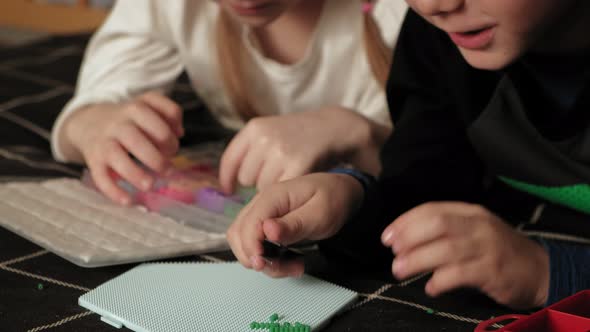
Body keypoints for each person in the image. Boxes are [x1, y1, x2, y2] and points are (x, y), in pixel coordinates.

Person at [227, 0, 590, 309]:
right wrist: (351, 200)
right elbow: (423, 195)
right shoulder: (437, 40)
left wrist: (547, 272)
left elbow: (538, 270)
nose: (435, 5)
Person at [50, 0, 408, 204]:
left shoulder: (404, 11)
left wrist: (358, 132)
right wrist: (91, 123)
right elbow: (88, 109)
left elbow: (446, 161)